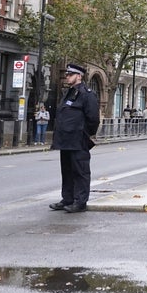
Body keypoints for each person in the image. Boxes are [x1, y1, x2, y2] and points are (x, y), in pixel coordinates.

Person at [49, 63, 100, 213]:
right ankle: (68, 198)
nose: (67, 77)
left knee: (80, 171)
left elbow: (93, 119)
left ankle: (80, 201)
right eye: (66, 75)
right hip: (65, 140)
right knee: (67, 171)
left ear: (79, 76)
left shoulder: (87, 94)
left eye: (70, 75)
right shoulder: (69, 93)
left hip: (78, 139)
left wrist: (85, 134)